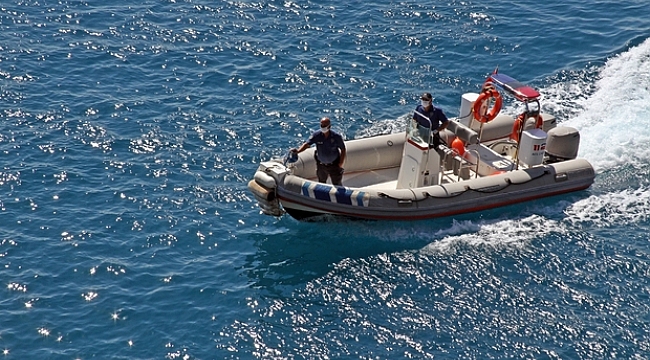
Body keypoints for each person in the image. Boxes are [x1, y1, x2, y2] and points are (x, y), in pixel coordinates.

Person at [291, 117, 347, 186]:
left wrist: (340, 163)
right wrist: (298, 151)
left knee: (337, 183)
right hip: (321, 165)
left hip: (334, 165)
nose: (323, 127)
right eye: (321, 125)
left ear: (329, 126)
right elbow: (307, 144)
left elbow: (343, 149)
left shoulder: (336, 137)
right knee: (322, 182)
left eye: (324, 126)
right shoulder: (316, 135)